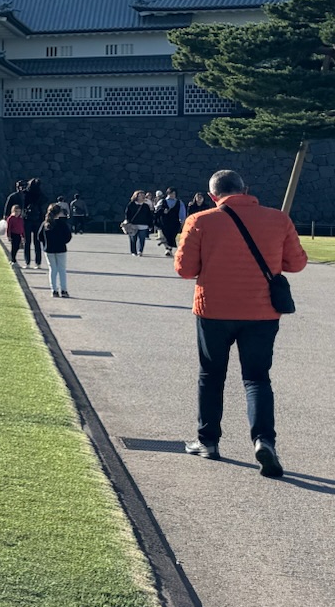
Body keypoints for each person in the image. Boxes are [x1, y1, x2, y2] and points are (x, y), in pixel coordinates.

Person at [174, 169, 307, 478]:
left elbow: (184, 269)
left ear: (212, 196)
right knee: (257, 378)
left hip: (214, 310)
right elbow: (297, 263)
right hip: (261, 311)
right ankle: (264, 441)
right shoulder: (278, 219)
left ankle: (208, 441)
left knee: (211, 375)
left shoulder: (200, 221)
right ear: (247, 189)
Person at [43, 201, 73, 297]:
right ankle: (64, 290)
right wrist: (62, 242)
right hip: (61, 249)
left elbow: (39, 236)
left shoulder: (46, 224)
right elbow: (68, 236)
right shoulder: (62, 224)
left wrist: (46, 243)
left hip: (49, 249)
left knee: (52, 269)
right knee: (62, 270)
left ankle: (54, 290)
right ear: (59, 213)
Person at [22, 178, 47, 267]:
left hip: (27, 219)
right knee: (37, 242)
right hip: (38, 219)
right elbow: (45, 201)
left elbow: (23, 205)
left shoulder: (26, 194)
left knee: (27, 242)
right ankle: (38, 262)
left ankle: (27, 262)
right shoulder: (40, 195)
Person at [155, 190, 184, 256]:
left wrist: (182, 220)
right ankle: (168, 248)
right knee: (166, 235)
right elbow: (156, 209)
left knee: (172, 236)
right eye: (171, 193)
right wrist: (162, 210)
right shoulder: (162, 201)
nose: (172, 195)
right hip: (164, 222)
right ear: (167, 193)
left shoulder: (179, 202)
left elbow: (182, 212)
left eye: (174, 193)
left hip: (175, 222)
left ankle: (168, 249)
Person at [123, 190, 153, 255]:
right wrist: (128, 221)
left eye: (143, 195)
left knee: (142, 239)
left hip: (144, 224)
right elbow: (127, 213)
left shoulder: (146, 206)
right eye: (140, 195)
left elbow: (149, 216)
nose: (142, 197)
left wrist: (150, 224)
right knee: (133, 239)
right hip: (133, 224)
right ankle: (133, 251)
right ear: (136, 196)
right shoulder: (131, 204)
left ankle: (140, 251)